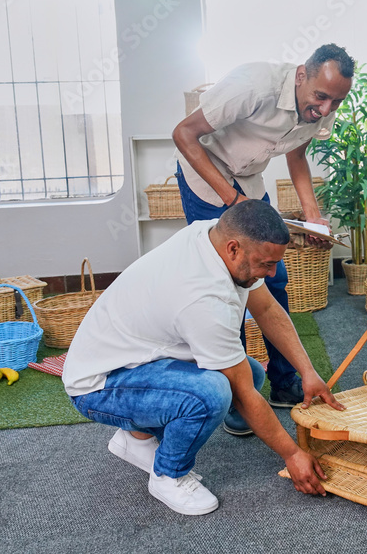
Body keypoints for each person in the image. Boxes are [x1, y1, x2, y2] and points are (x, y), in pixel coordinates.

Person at [63, 200, 344, 516]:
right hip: (98, 386)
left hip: (133, 361)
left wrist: (307, 371)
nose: (273, 272)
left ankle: (137, 439)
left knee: (249, 373)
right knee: (214, 393)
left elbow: (265, 308)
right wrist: (292, 454)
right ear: (234, 249)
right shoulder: (202, 298)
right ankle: (168, 475)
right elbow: (241, 393)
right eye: (267, 264)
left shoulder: (213, 236)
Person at [172, 44, 354, 428]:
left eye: (335, 102)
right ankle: (239, 394)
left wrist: (313, 217)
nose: (325, 110)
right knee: (231, 284)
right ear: (302, 75)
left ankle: (284, 383)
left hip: (248, 180)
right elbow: (184, 134)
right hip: (206, 177)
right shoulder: (253, 86)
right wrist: (229, 198)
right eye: (320, 97)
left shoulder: (323, 108)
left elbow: (297, 157)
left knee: (275, 276)